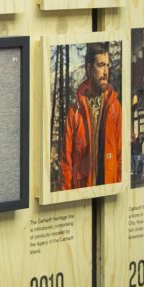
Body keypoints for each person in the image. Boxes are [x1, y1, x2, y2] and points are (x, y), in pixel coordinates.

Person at [58, 46, 121, 190]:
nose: (106, 72)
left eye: (107, 65)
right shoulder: (75, 112)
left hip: (109, 191)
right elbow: (66, 162)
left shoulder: (115, 108)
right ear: (89, 69)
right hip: (83, 192)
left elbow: (121, 156)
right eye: (101, 65)